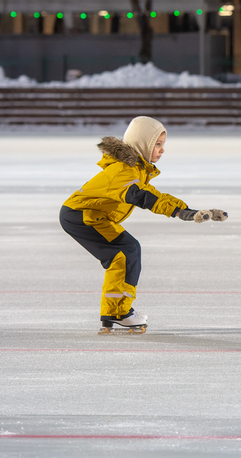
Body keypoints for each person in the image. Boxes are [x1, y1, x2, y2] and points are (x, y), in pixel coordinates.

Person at [60, 116, 228, 334]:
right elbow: (141, 196)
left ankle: (115, 313)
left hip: (90, 216)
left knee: (125, 253)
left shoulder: (135, 169)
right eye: (157, 144)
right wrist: (179, 212)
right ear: (142, 144)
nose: (162, 150)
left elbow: (154, 194)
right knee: (125, 252)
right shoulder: (123, 171)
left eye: (163, 144)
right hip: (82, 216)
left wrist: (187, 211)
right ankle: (120, 312)